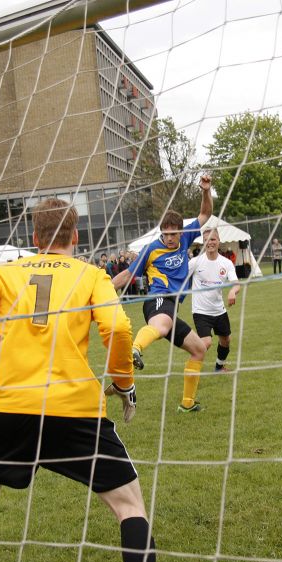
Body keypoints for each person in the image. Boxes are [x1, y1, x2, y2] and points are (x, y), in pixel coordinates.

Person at [0, 198, 184, 562]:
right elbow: (119, 328)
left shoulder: (7, 272)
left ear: (35, 240)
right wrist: (125, 384)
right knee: (129, 504)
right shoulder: (91, 274)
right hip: (73, 408)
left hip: (8, 405)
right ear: (76, 238)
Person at [111, 175, 213, 413]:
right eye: (165, 234)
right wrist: (102, 288)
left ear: (180, 232)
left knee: (199, 349)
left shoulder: (187, 235)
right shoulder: (151, 249)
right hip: (156, 301)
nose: (169, 238)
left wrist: (206, 191)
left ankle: (187, 404)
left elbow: (205, 215)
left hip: (171, 306)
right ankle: (134, 349)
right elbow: (127, 275)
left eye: (173, 234)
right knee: (163, 325)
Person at [188, 226, 241, 373]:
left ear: (218, 241)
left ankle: (219, 367)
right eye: (206, 240)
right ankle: (191, 370)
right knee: (206, 342)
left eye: (212, 239)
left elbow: (236, 284)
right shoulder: (195, 262)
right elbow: (180, 278)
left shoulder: (226, 263)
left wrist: (232, 291)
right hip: (201, 311)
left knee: (226, 340)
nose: (210, 243)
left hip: (219, 310)